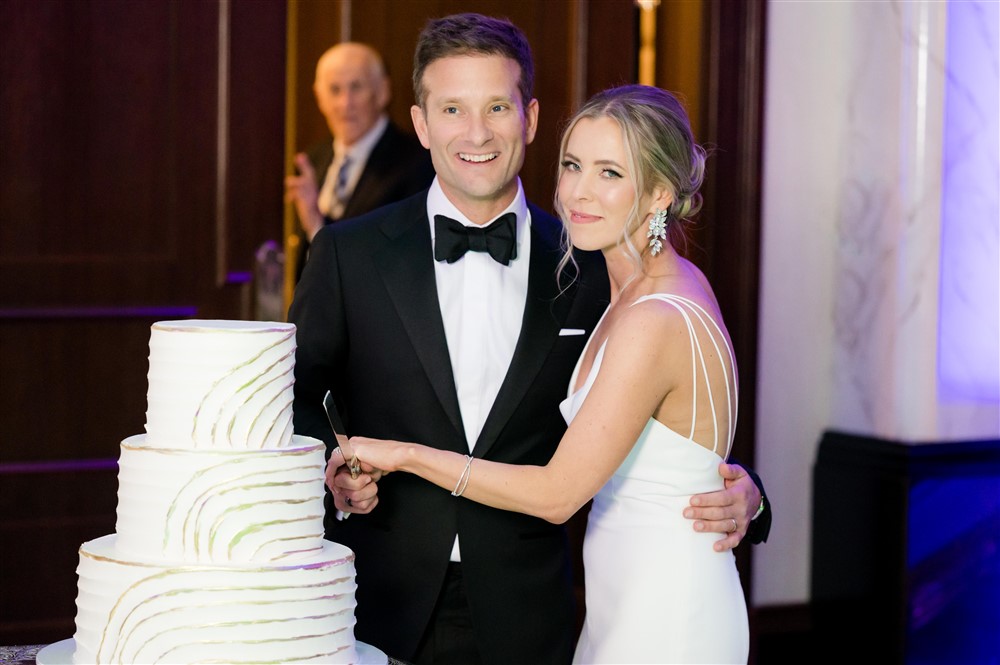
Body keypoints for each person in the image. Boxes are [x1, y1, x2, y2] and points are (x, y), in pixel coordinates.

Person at [290, 13, 769, 665]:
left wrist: (747, 493)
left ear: (531, 118)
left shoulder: (601, 262)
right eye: (453, 108)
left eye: (496, 106)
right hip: (382, 602)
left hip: (533, 616)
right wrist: (330, 469)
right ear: (422, 122)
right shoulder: (347, 253)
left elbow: (674, 420)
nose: (477, 132)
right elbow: (294, 399)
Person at [284, 42, 434, 278]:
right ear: (319, 97)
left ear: (382, 92)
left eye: (356, 87)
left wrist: (316, 225)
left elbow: (399, 264)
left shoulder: (418, 164)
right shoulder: (313, 160)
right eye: (334, 90)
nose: (346, 103)